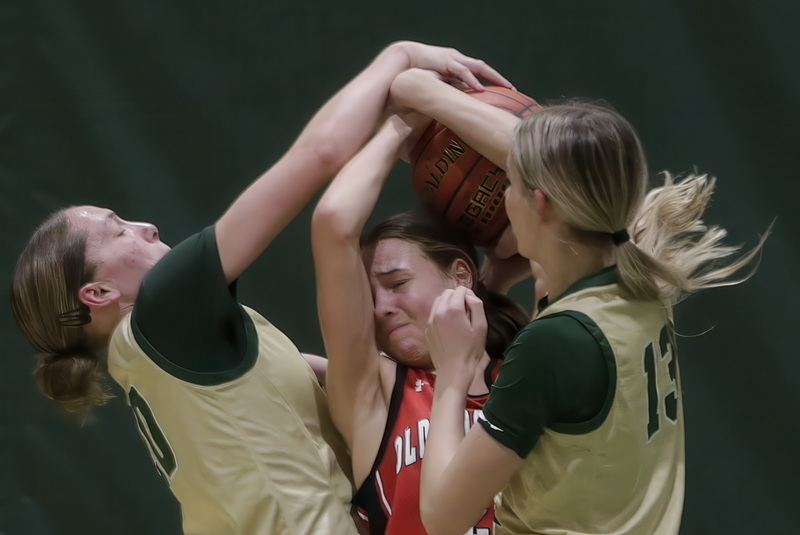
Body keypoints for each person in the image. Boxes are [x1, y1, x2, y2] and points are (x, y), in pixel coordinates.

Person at [10, 43, 512, 535]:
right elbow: (320, 155)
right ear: (96, 294)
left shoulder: (160, 360)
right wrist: (398, 69)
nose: (146, 227)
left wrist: (490, 285)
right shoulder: (164, 309)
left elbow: (341, 376)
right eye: (118, 229)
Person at [388, 69, 771, 535]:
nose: (502, 198)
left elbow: (443, 518)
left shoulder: (555, 342)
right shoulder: (639, 276)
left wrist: (451, 373)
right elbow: (561, 169)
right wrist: (496, 279)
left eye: (507, 184)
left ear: (542, 204)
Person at [310, 111, 532, 534]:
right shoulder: (376, 386)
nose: (381, 308)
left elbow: (562, 187)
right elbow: (334, 224)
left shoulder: (527, 368)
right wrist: (403, 125)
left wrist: (439, 104)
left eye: (397, 283)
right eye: (371, 297)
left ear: (461, 275)